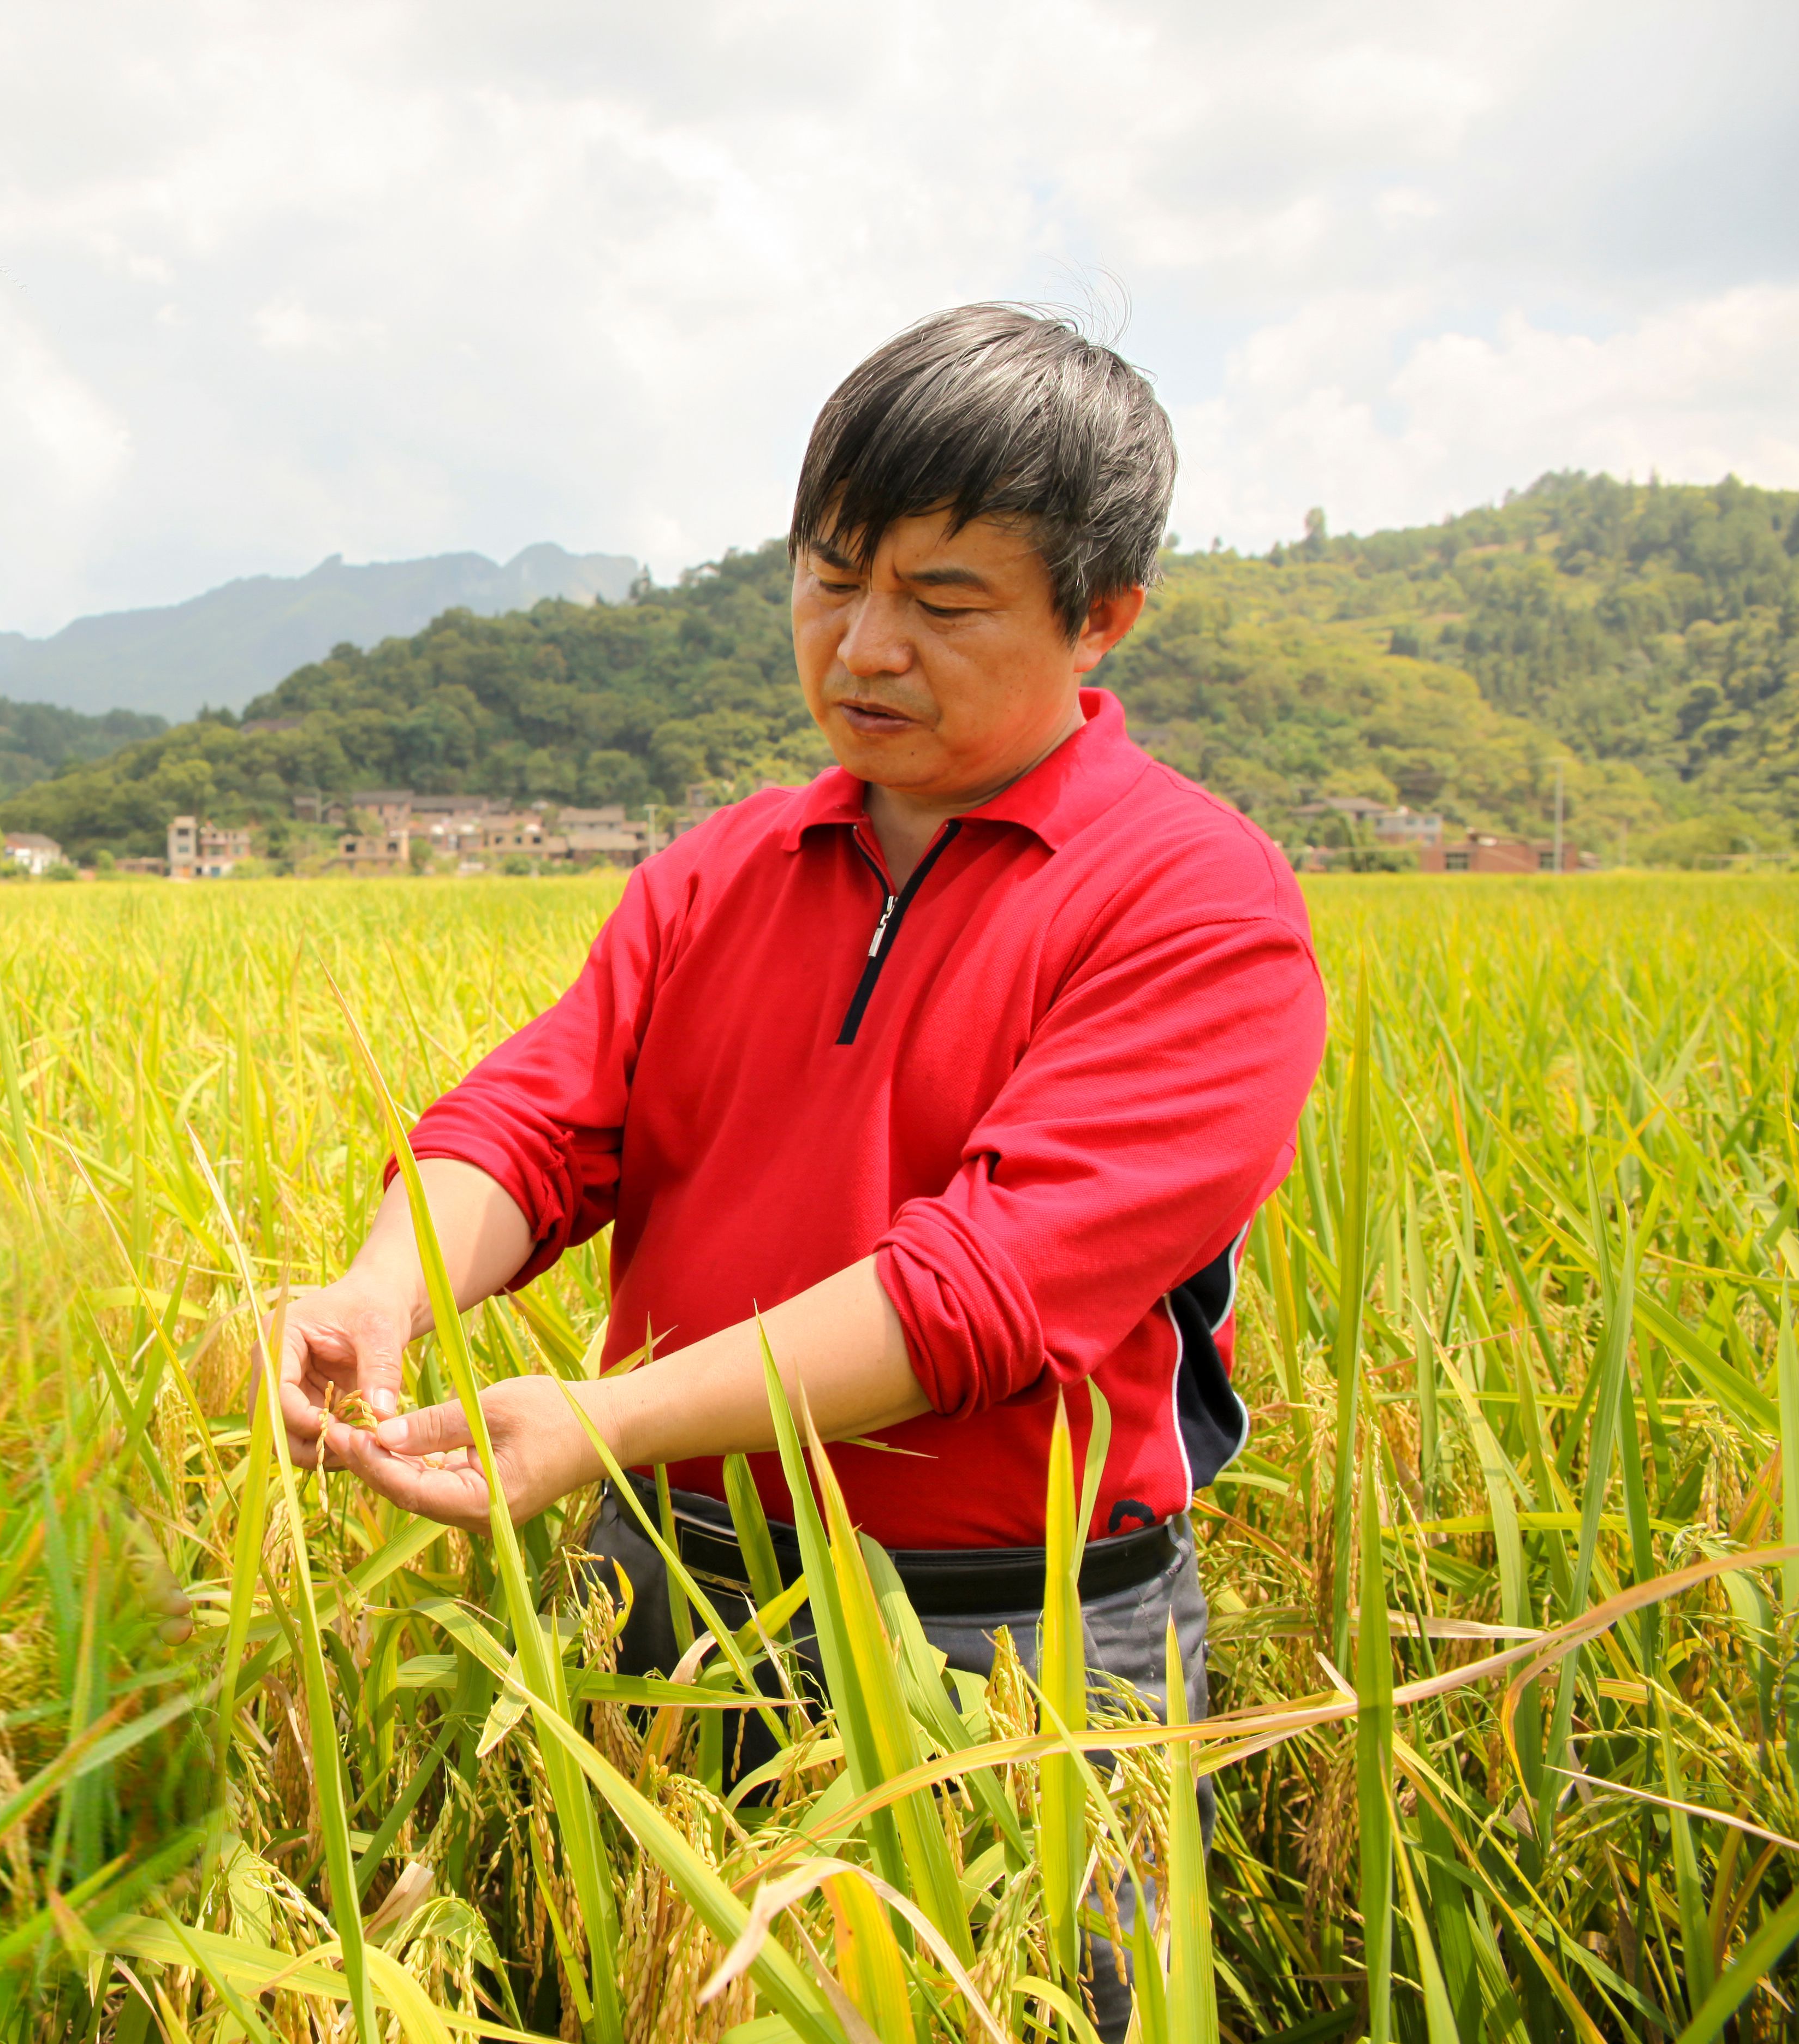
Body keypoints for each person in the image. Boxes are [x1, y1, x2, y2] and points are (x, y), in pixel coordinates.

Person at [271, 304, 1327, 2037]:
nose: (864, 646)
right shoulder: (722, 873)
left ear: (1104, 615)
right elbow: (540, 1123)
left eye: (944, 599)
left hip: (1013, 1652)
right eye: (831, 579)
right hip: (671, 1597)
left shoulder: (1197, 907)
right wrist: (385, 1285)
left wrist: (600, 1419)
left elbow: (985, 1288)